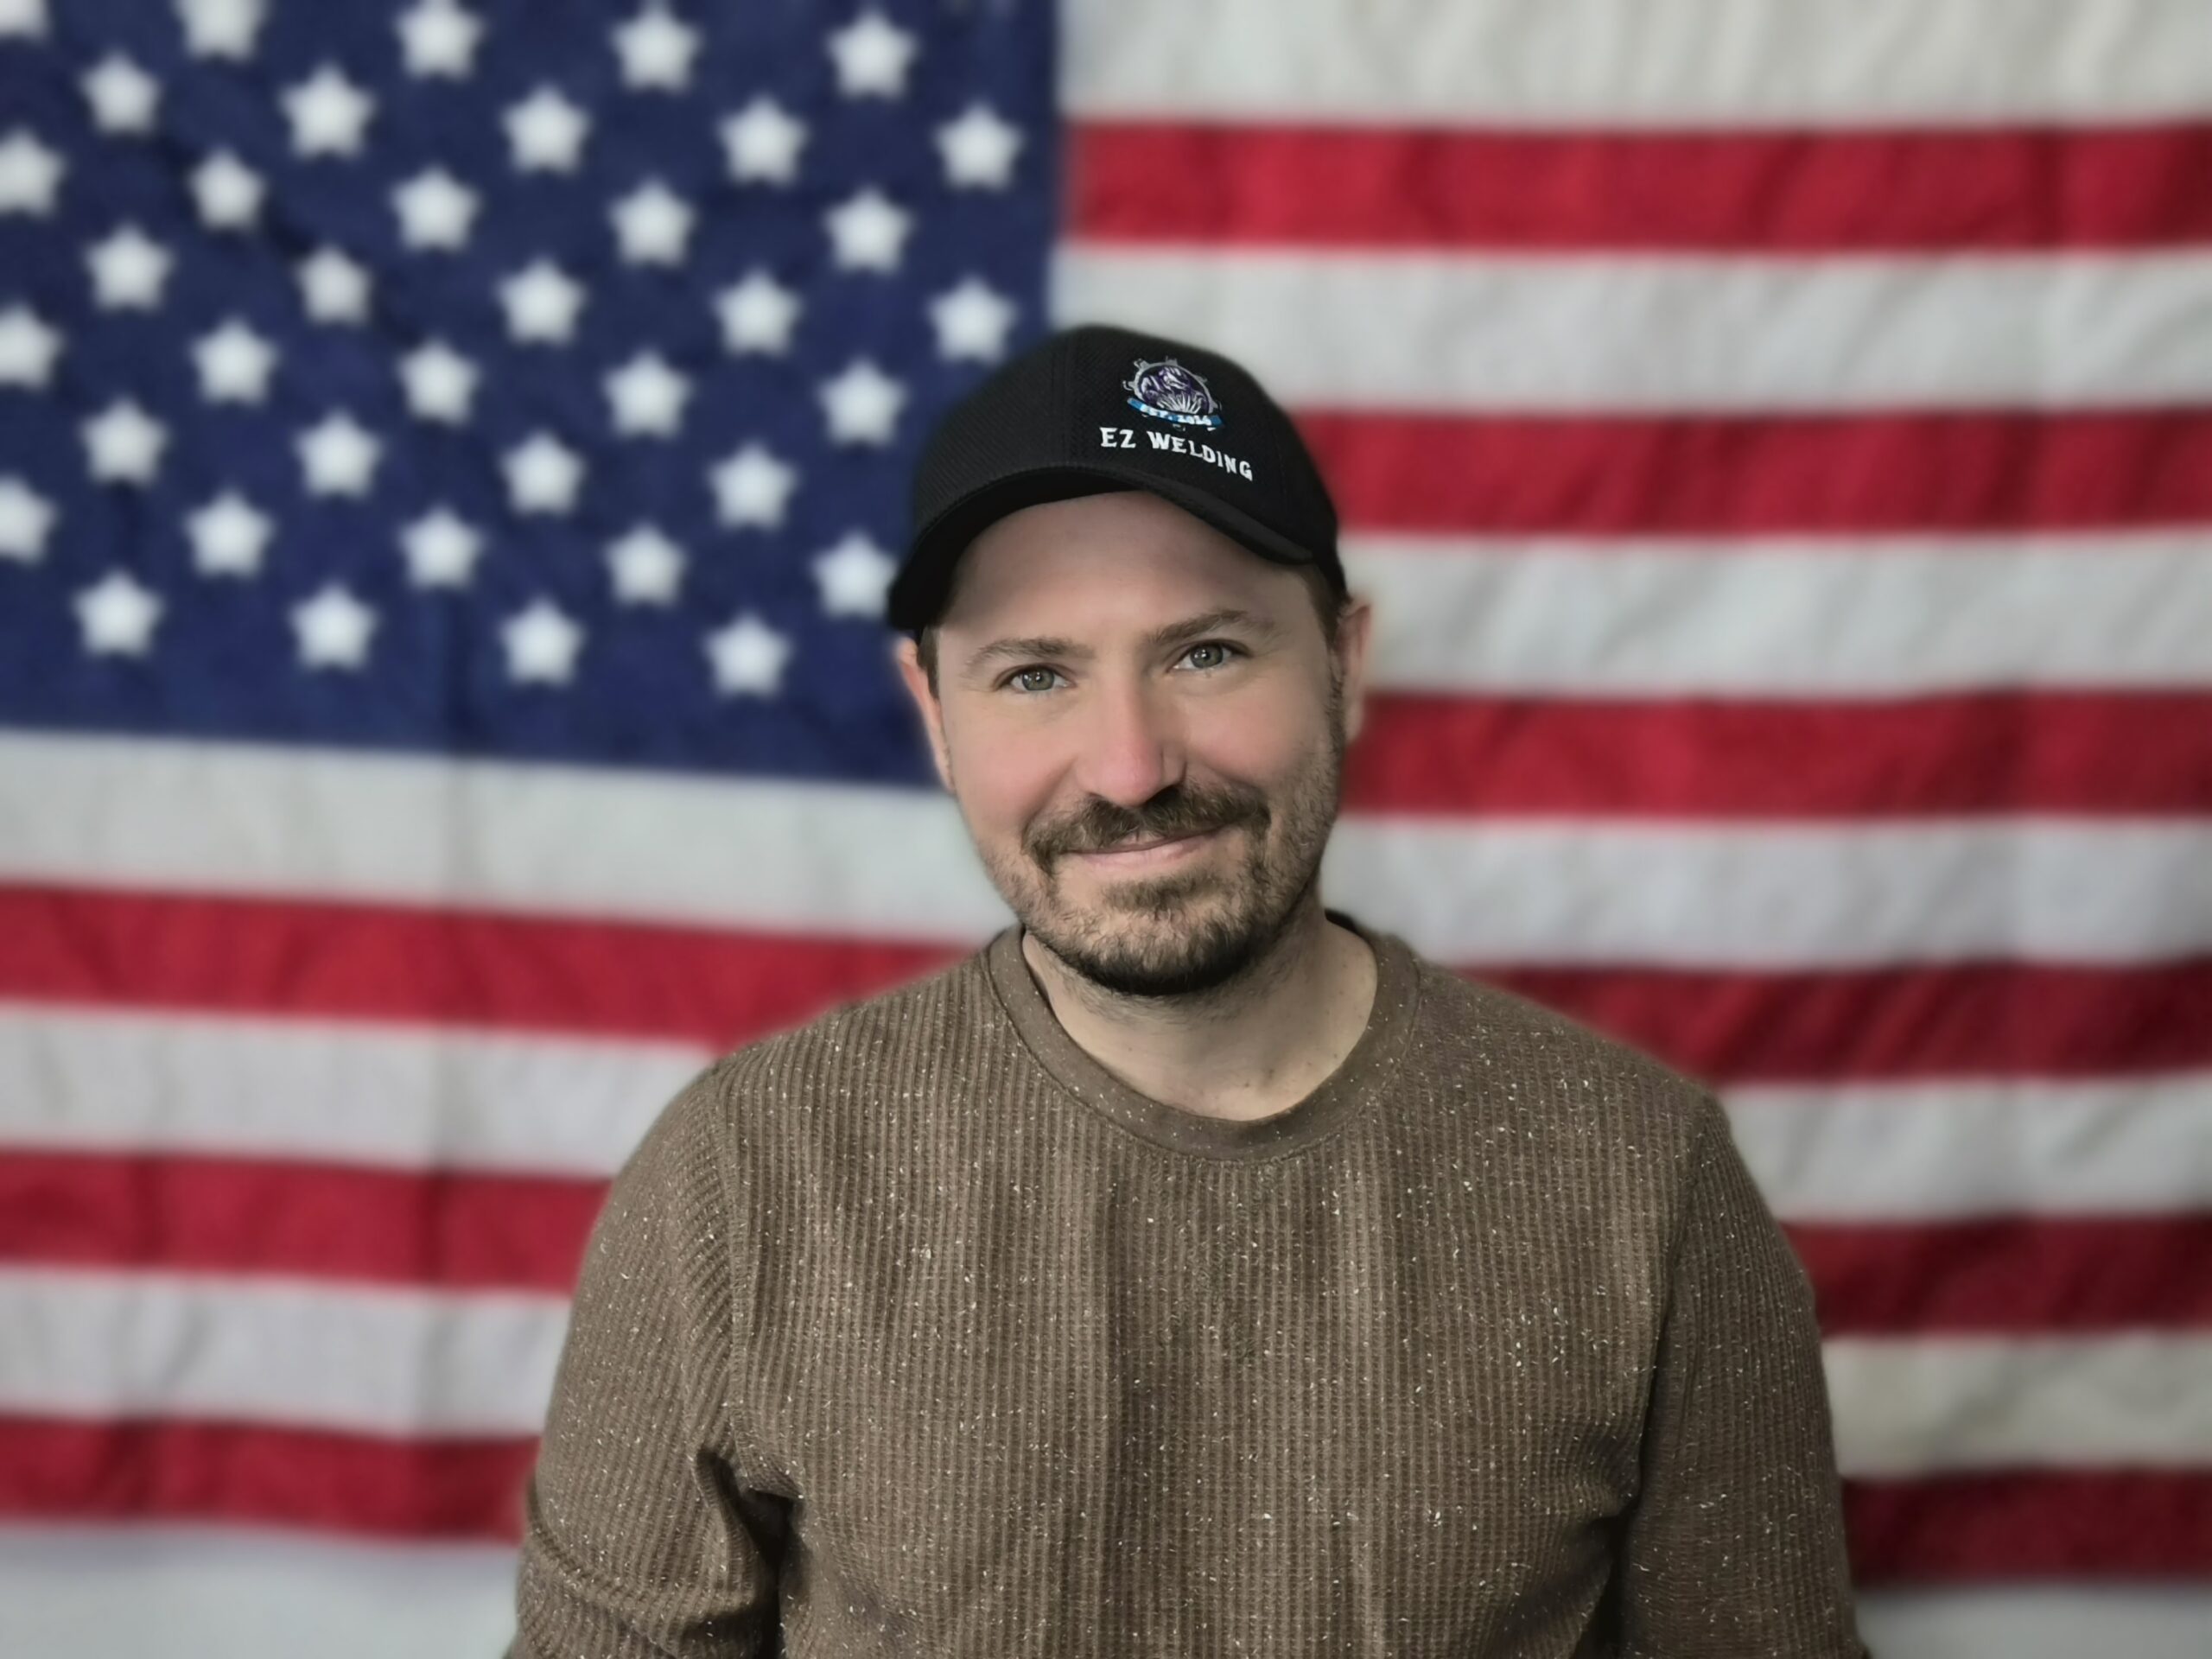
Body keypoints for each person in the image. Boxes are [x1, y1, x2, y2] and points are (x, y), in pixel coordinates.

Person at [507, 324, 1871, 1656]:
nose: (1130, 766)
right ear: (934, 713)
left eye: (1205, 653)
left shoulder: (1642, 1180)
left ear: (1343, 663)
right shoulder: (744, 1178)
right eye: (1034, 674)